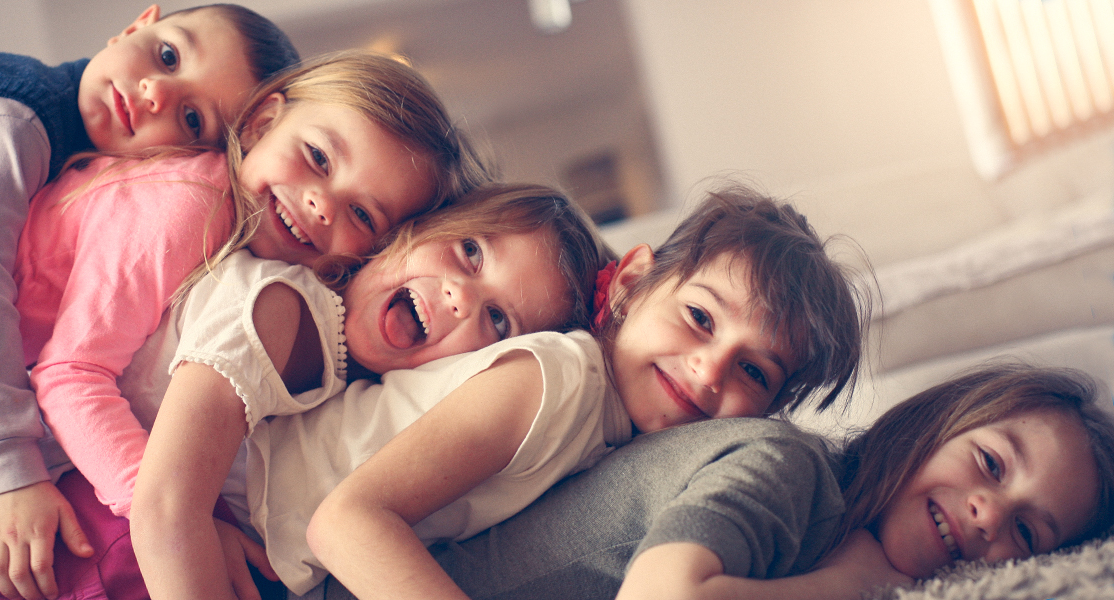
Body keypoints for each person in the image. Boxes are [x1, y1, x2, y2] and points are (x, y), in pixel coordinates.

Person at [0, 48, 486, 600]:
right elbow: (68, 374)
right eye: (317, 158)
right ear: (262, 123)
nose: (321, 205)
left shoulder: (241, 236)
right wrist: (189, 522)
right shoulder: (190, 204)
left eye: (362, 214)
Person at [163, 185, 863, 599]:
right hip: (222, 499)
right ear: (626, 284)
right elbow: (345, 524)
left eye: (754, 373)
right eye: (700, 318)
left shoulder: (602, 430)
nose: (709, 371)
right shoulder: (557, 378)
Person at [0, 4, 298, 597]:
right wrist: (7, 474)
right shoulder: (8, 117)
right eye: (169, 55)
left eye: (192, 118)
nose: (154, 93)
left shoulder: (99, 168)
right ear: (138, 24)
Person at [129, 182, 609, 600]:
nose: (462, 298)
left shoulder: (353, 387)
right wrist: (200, 524)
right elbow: (164, 510)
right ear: (414, 228)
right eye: (471, 251)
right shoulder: (274, 304)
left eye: (498, 320)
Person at [315, 363, 1114, 600]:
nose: (988, 515)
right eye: (990, 464)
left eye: (1028, 531)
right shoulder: (787, 467)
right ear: (934, 423)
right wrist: (855, 583)